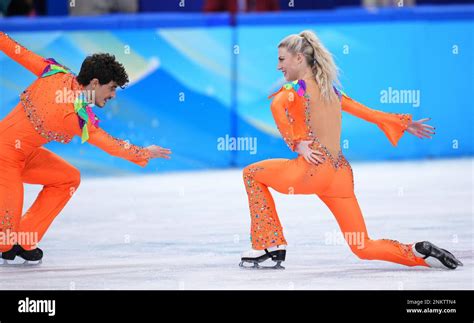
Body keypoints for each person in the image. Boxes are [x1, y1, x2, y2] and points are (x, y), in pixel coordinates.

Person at [239, 30, 463, 270]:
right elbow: (368, 113)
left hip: (311, 169)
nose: (278, 66)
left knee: (251, 173)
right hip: (340, 175)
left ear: (299, 59)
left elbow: (276, 105)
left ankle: (270, 244)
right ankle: (416, 251)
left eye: (282, 59)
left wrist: (296, 142)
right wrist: (403, 122)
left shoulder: (297, 88)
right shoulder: (332, 90)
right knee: (362, 246)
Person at [0, 32, 171, 264]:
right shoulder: (75, 114)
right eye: (111, 88)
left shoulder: (54, 73)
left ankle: (25, 237)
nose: (112, 95)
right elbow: (112, 146)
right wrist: (144, 152)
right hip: (3, 159)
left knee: (68, 178)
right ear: (94, 83)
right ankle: (10, 242)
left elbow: (14, 49)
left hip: (25, 156)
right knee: (4, 243)